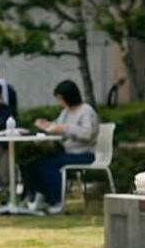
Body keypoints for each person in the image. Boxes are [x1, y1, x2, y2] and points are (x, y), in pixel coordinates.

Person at [22, 80, 101, 214]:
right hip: (66, 152)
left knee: (50, 166)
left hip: (83, 154)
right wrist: (47, 125)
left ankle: (57, 200)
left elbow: (87, 133)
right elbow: (57, 125)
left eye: (60, 99)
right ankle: (41, 196)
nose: (59, 102)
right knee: (33, 164)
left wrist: (65, 128)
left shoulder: (86, 111)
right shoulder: (66, 112)